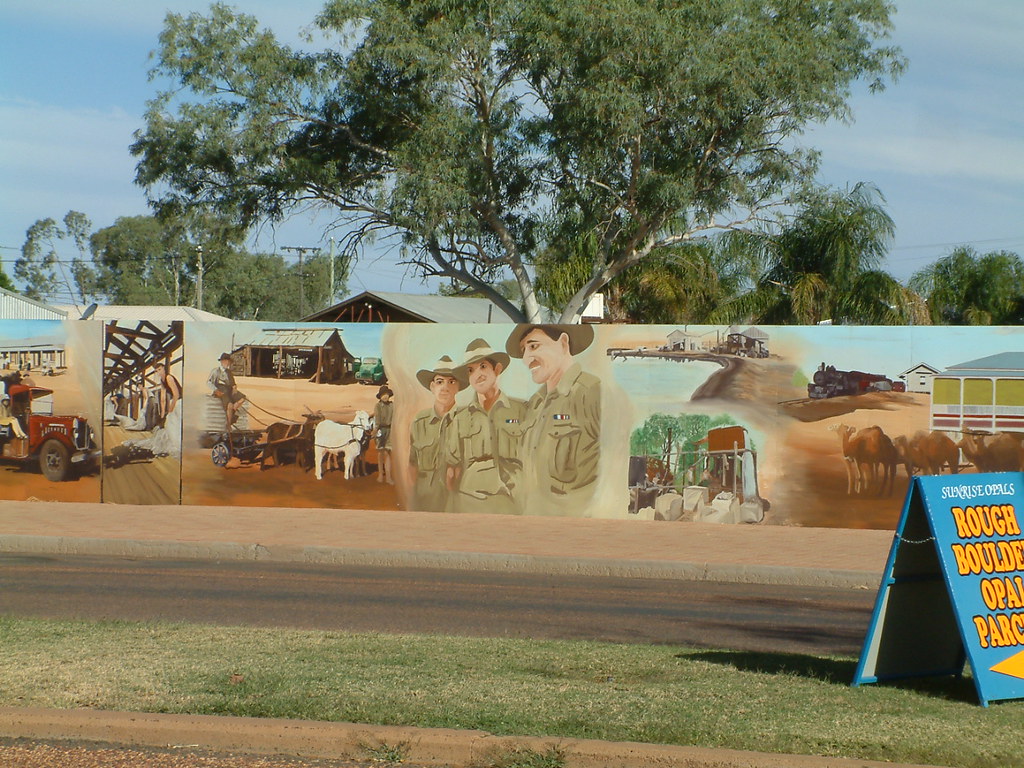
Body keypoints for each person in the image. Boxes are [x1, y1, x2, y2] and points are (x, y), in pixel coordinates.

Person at [504, 324, 601, 512]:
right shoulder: (536, 404)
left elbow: (614, 471)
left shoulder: (591, 393)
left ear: (563, 343)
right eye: (524, 350)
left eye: (533, 346)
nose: (526, 359)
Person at [445, 338, 525, 515]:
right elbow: (452, 470)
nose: (477, 375)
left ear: (497, 369)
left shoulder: (522, 411)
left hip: (514, 502)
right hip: (471, 501)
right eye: (471, 370)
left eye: (483, 366)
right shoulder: (461, 418)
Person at [408, 355, 467, 513]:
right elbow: (412, 465)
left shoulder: (469, 420)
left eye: (451, 382)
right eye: (440, 382)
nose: (445, 387)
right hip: (426, 500)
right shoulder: (419, 422)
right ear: (432, 386)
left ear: (458, 387)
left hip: (460, 501)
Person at [208, 352, 246, 426]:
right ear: (222, 362)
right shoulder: (216, 371)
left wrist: (234, 387)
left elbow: (233, 383)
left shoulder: (229, 372)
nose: (227, 363)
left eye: (228, 362)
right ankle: (228, 425)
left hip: (229, 390)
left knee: (242, 398)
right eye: (226, 361)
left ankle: (232, 412)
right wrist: (216, 390)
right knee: (230, 405)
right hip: (220, 391)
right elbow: (209, 382)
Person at [373, 385, 394, 484]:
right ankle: (380, 474)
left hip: (390, 431)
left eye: (386, 394)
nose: (385, 396)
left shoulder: (392, 405)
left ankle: (389, 477)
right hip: (380, 430)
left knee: (388, 453)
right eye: (383, 395)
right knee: (381, 453)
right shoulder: (377, 406)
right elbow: (377, 420)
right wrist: (375, 431)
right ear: (380, 396)